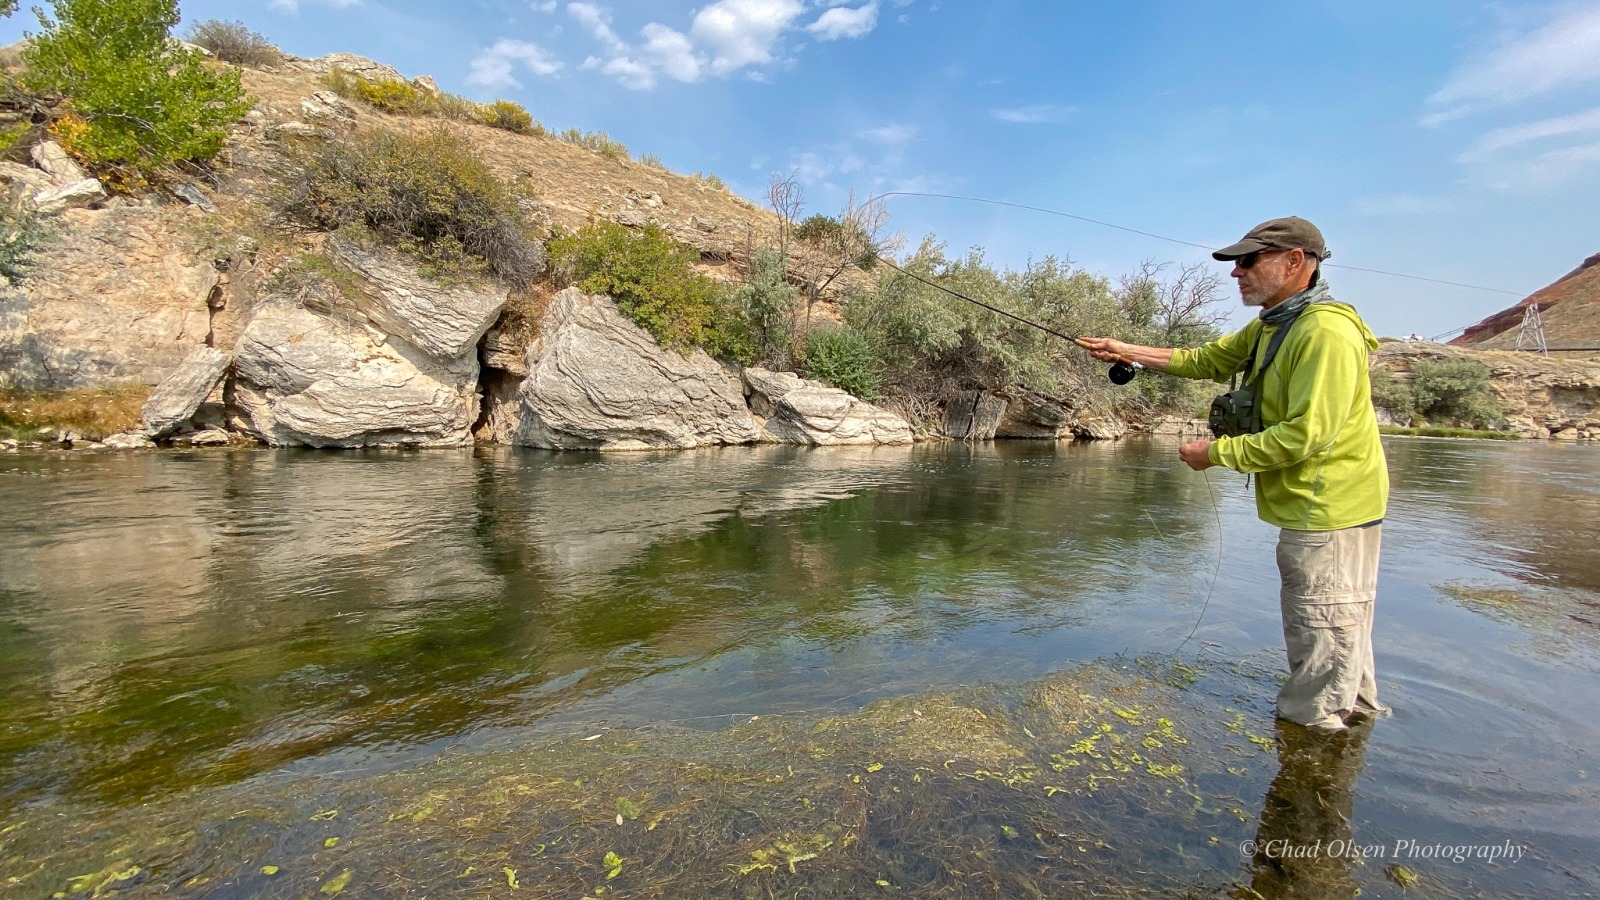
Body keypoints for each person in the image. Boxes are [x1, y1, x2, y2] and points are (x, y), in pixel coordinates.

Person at [1081, 216, 1390, 732]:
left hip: (1332, 511)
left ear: (1296, 262)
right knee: (1339, 643)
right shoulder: (1277, 322)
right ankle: (1343, 742)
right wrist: (1126, 350)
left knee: (1324, 647)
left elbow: (1306, 435)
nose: (1236, 273)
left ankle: (1314, 752)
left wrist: (1216, 455)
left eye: (1249, 260)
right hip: (1316, 508)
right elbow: (1207, 358)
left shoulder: (1326, 331)